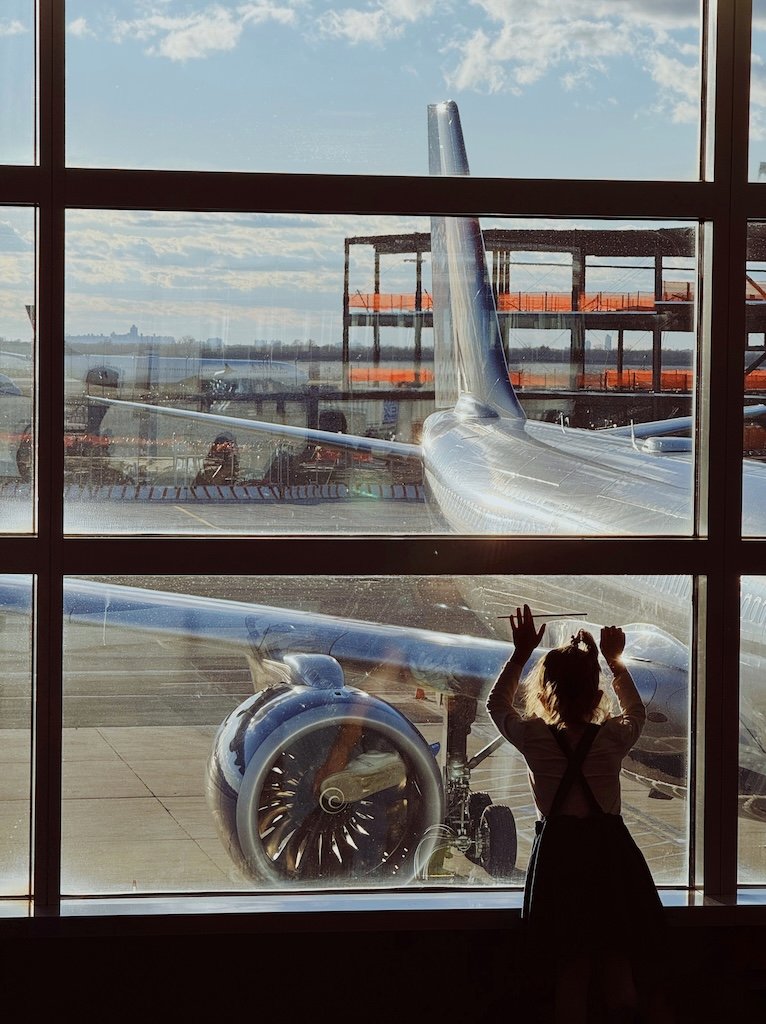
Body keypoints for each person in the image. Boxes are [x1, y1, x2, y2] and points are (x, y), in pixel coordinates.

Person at [486, 604, 674, 1024]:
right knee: (616, 963)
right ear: (596, 695)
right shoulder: (611, 738)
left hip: (560, 859)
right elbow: (637, 714)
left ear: (545, 692)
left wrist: (520, 655)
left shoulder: (534, 738)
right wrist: (614, 662)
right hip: (609, 860)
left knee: (570, 970)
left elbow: (497, 706)